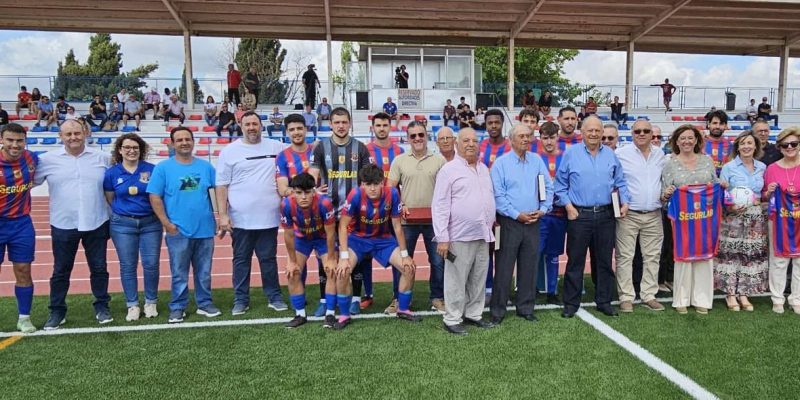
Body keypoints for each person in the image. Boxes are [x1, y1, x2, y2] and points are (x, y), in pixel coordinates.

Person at [35, 120, 112, 329]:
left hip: (96, 221)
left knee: (99, 268)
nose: (73, 138)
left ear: (85, 133)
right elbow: (29, 183)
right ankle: (57, 311)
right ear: (60, 136)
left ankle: (102, 306)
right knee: (61, 270)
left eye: (77, 133)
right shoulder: (46, 160)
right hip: (63, 224)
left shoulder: (103, 158)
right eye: (68, 134)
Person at [555, 115, 630, 318]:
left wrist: (626, 201)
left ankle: (604, 301)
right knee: (575, 261)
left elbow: (620, 182)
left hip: (606, 215)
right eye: (590, 130)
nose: (594, 134)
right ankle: (571, 303)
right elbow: (560, 185)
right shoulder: (571, 154)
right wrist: (569, 207)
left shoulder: (611, 155)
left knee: (604, 261)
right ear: (582, 132)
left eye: (598, 130)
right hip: (579, 215)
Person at [216, 111, 288, 315]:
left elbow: (301, 151)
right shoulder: (229, 151)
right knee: (241, 260)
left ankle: (274, 296)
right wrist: (223, 215)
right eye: (247, 124)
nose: (251, 128)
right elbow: (221, 185)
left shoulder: (276, 147)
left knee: (268, 259)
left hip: (269, 218)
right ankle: (241, 299)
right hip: (241, 219)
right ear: (240, 126)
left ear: (261, 125)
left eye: (255, 123)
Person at [333, 164, 420, 330]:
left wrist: (405, 254)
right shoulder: (355, 195)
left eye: (376, 183)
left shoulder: (392, 193)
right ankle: (344, 315)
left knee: (409, 267)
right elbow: (342, 226)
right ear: (362, 184)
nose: (372, 188)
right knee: (342, 271)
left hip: (383, 239)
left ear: (383, 182)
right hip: (358, 239)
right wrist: (343, 258)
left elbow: (397, 226)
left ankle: (403, 309)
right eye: (368, 184)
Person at [147, 126, 220, 323]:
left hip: (204, 229)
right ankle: (178, 306)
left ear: (193, 141)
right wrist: (166, 223)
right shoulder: (163, 168)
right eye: (179, 140)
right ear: (172, 143)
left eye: (187, 139)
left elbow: (217, 194)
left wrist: (220, 218)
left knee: (204, 271)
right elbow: (154, 196)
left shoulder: (206, 167)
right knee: (179, 272)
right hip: (177, 230)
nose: (184, 142)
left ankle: (204, 303)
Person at [433, 128, 497, 335]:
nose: (471, 144)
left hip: (482, 234)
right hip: (458, 236)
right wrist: (442, 238)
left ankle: (474, 314)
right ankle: (452, 318)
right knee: (456, 279)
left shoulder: (484, 169)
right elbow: (440, 205)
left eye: (475, 140)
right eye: (466, 140)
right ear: (456, 144)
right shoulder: (448, 170)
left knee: (478, 278)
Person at [309, 107, 371, 317]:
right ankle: (325, 299)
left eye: (344, 122)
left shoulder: (360, 148)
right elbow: (313, 173)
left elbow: (366, 180)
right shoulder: (320, 148)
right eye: (337, 122)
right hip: (328, 213)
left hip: (353, 214)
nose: (341, 126)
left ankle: (354, 299)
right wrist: (312, 188)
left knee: (355, 256)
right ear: (331, 124)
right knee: (326, 257)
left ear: (350, 123)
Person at [490, 124, 553, 324]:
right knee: (504, 268)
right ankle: (498, 310)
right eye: (521, 136)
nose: (526, 139)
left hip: (533, 222)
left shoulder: (537, 161)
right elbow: (498, 196)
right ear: (511, 139)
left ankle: (526, 307)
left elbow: (547, 187)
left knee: (529, 266)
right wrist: (517, 215)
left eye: (529, 136)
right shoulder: (500, 164)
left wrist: (543, 209)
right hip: (509, 223)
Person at [387, 122, 447, 315]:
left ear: (426, 135)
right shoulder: (400, 160)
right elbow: (390, 188)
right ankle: (400, 298)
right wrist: (400, 205)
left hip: (434, 221)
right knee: (402, 262)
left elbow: (448, 189)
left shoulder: (439, 160)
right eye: (413, 136)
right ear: (407, 138)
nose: (417, 138)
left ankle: (437, 298)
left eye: (420, 134)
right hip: (407, 221)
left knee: (438, 261)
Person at [661, 124, 719, 314]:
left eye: (690, 137)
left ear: (696, 140)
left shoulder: (707, 161)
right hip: (683, 221)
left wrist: (720, 186)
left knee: (704, 258)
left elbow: (715, 186)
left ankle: (702, 298)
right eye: (682, 138)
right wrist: (667, 194)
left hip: (705, 219)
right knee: (683, 258)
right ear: (676, 142)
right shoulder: (670, 164)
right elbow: (663, 196)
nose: (686, 141)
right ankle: (682, 299)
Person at [103, 133, 162, 321]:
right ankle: (132, 305)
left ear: (141, 150)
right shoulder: (112, 173)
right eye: (127, 147)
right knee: (128, 265)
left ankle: (151, 302)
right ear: (120, 150)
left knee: (151, 264)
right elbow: (110, 197)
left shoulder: (152, 170)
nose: (131, 151)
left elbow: (157, 196)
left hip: (150, 223)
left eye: (135, 148)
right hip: (123, 224)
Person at [614, 119, 667, 312]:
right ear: (632, 133)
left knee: (652, 257)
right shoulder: (620, 154)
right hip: (629, 214)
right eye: (638, 131)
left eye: (646, 131)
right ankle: (626, 296)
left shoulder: (660, 154)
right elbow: (614, 182)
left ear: (652, 133)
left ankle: (648, 295)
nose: (642, 134)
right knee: (625, 257)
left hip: (653, 213)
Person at [715, 131, 768, 312]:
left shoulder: (762, 167)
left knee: (750, 256)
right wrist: (731, 206)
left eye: (750, 143)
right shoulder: (729, 167)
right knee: (731, 254)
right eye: (743, 143)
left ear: (755, 146)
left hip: (755, 216)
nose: (746, 146)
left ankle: (744, 292)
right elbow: (722, 193)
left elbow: (764, 192)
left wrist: (762, 199)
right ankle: (730, 294)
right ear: (737, 146)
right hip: (734, 217)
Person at [359, 112, 405, 314]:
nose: (382, 128)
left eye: (385, 125)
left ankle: (397, 295)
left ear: (390, 127)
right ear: (373, 128)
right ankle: (367, 294)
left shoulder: (400, 151)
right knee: (364, 253)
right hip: (369, 212)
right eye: (378, 125)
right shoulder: (365, 150)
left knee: (396, 250)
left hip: (392, 209)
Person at [280, 173, 337, 328]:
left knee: (331, 271)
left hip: (322, 239)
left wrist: (331, 258)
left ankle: (330, 314)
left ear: (314, 191)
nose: (303, 197)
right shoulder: (286, 205)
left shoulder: (324, 203)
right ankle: (300, 314)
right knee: (293, 273)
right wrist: (292, 261)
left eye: (307, 192)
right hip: (302, 239)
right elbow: (289, 234)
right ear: (293, 192)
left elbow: (331, 232)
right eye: (299, 193)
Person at [0, 123, 39, 333]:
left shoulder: (32, 159)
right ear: (2, 140)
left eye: (19, 141)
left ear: (25, 141)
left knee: (24, 270)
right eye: (10, 140)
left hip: (22, 223)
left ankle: (24, 318)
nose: (15, 145)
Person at [763, 127, 800, 314]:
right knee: (779, 259)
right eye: (785, 145)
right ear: (780, 147)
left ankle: (797, 298)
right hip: (778, 220)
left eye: (794, 144)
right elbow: (764, 196)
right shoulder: (772, 168)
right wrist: (769, 191)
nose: (790, 147)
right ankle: (777, 298)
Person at [533, 122, 567, 305]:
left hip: (560, 215)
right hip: (540, 215)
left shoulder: (565, 158)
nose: (548, 141)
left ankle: (552, 292)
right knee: (535, 253)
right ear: (540, 138)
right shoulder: (535, 159)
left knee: (553, 255)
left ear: (557, 137)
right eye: (545, 137)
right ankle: (530, 290)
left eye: (552, 137)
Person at [478, 109, 510, 302]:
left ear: (502, 123)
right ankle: (487, 288)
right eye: (490, 123)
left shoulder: (510, 147)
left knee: (504, 251)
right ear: (486, 124)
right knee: (485, 250)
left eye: (497, 122)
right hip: (483, 209)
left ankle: (502, 290)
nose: (493, 126)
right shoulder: (480, 146)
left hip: (505, 209)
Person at [276, 114, 314, 198]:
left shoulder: (317, 151)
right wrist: (308, 192)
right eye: (292, 129)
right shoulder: (282, 157)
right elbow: (283, 190)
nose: (296, 132)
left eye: (299, 128)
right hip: (296, 207)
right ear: (287, 132)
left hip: (319, 205)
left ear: (305, 129)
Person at [705, 109, 731, 175]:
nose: (717, 127)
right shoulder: (699, 143)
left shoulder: (730, 146)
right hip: (704, 182)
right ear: (708, 124)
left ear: (725, 126)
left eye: (721, 124)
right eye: (715, 123)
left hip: (724, 182)